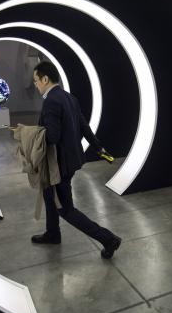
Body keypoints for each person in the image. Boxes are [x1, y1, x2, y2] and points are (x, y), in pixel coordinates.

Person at [31, 61, 122, 259]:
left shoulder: (51, 101)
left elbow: (52, 136)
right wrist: (99, 148)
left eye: (36, 81)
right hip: (70, 161)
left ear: (45, 79)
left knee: (66, 209)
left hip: (58, 165)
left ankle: (108, 239)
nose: (36, 85)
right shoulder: (69, 98)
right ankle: (53, 233)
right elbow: (84, 126)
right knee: (49, 196)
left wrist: (31, 135)